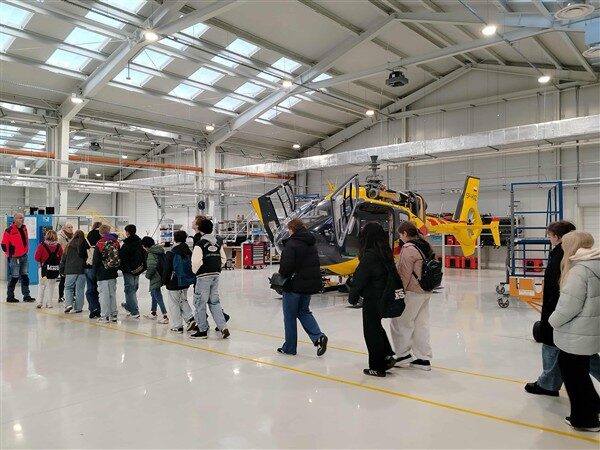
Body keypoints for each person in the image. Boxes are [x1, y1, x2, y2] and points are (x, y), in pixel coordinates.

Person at [549, 231, 600, 432]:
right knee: (580, 373)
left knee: (574, 376)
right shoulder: (595, 264)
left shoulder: (579, 271)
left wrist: (552, 321)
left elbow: (569, 306)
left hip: (576, 333)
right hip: (590, 331)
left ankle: (586, 420)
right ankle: (593, 406)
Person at [349, 223, 397, 377]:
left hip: (373, 297)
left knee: (371, 331)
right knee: (376, 327)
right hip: (384, 296)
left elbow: (360, 278)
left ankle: (377, 366)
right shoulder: (385, 252)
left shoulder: (370, 256)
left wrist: (353, 297)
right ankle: (387, 355)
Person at [276, 218, 327, 356]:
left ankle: (290, 348)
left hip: (293, 285)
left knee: (290, 317)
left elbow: (285, 268)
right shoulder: (311, 243)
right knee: (304, 311)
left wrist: (281, 274)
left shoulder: (291, 244)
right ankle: (318, 336)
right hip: (308, 285)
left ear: (292, 229)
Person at [390, 221, 435, 371]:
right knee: (421, 324)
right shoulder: (426, 245)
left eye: (400, 235)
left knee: (400, 322)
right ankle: (423, 358)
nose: (400, 238)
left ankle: (403, 355)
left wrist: (398, 292)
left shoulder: (409, 248)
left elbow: (404, 273)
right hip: (426, 290)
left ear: (405, 233)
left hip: (412, 291)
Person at [190, 217, 230, 339]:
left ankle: (202, 330)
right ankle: (223, 327)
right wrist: (217, 268)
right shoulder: (217, 243)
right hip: (215, 275)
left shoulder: (200, 243)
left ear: (200, 229)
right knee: (214, 302)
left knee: (200, 303)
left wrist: (196, 272)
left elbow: (195, 261)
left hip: (203, 276)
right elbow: (223, 259)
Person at [163, 230, 198, 334]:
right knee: (183, 300)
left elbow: (167, 269)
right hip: (185, 281)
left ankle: (177, 326)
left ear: (174, 239)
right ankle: (190, 318)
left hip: (173, 282)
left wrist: (164, 281)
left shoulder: (171, 253)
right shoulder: (189, 252)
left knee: (174, 303)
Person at [2, 213, 35, 303]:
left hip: (24, 256)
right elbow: (4, 245)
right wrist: (11, 254)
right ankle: (10, 297)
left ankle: (26, 295)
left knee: (25, 276)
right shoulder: (9, 230)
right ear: (15, 219)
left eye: (23, 218)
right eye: (20, 218)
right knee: (14, 277)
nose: (22, 219)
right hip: (14, 258)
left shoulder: (24, 228)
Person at [93, 224, 120, 322]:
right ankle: (114, 315)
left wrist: (94, 272)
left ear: (100, 233)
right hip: (113, 272)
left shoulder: (99, 243)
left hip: (102, 273)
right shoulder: (116, 242)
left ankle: (104, 316)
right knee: (112, 294)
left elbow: (96, 260)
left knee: (103, 295)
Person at [119, 224, 145, 319]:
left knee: (129, 289)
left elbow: (122, 258)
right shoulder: (140, 243)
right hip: (138, 269)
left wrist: (124, 268)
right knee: (133, 288)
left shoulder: (126, 245)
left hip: (128, 271)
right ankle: (128, 306)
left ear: (127, 232)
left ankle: (134, 310)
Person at [141, 236, 169, 324]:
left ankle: (165, 316)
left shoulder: (151, 253)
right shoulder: (159, 250)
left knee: (157, 295)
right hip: (161, 274)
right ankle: (153, 312)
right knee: (153, 293)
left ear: (145, 245)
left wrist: (147, 275)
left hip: (155, 276)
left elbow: (151, 267)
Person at [60, 230, 89, 314]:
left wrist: (61, 269)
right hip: (82, 270)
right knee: (80, 289)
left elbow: (63, 259)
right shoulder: (86, 245)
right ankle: (78, 308)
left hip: (70, 270)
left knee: (68, 287)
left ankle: (68, 304)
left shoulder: (69, 245)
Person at [34, 229, 63, 309]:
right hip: (54, 270)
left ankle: (39, 302)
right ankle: (49, 303)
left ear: (46, 236)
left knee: (42, 285)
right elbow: (61, 256)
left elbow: (36, 257)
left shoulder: (42, 245)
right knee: (51, 286)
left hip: (43, 270)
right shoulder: (58, 246)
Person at [85, 222, 102, 318]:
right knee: (101, 289)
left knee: (90, 289)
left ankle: (93, 308)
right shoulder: (104, 237)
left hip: (89, 265)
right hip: (100, 267)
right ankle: (102, 308)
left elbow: (82, 251)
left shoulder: (89, 236)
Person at [57, 222, 74, 303]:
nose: (71, 229)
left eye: (71, 227)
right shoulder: (59, 237)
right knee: (63, 279)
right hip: (63, 260)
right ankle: (61, 296)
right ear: (64, 228)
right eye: (69, 227)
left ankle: (72, 296)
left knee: (73, 279)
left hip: (71, 260)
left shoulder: (73, 237)